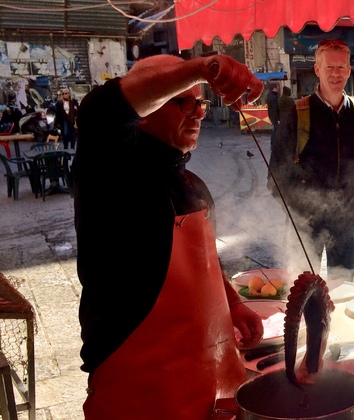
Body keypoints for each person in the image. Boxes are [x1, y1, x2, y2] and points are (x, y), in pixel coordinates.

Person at [71, 54, 265, 419]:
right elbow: (101, 110)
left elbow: (203, 263)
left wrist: (233, 304)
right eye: (182, 101)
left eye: (201, 102)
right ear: (144, 107)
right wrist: (199, 69)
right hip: (138, 392)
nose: (198, 113)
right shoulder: (109, 169)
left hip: (209, 386)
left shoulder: (190, 183)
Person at [269, 39, 354, 282]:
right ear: (317, 70)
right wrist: (301, 215)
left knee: (341, 297)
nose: (335, 74)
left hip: (345, 227)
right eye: (329, 67)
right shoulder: (296, 114)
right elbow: (276, 178)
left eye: (341, 67)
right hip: (305, 228)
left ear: (349, 71)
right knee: (303, 296)